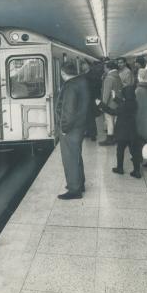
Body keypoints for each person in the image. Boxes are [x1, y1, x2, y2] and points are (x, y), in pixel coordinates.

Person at [56, 60, 90, 200]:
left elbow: (68, 111)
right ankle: (79, 183)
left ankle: (74, 190)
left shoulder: (70, 86)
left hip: (71, 128)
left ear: (63, 73)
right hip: (80, 125)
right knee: (76, 155)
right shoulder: (82, 81)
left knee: (69, 158)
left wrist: (64, 128)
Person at [96, 86, 141, 178]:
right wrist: (115, 98)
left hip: (122, 133)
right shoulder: (134, 103)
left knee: (120, 150)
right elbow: (124, 103)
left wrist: (100, 104)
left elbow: (112, 111)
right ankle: (137, 171)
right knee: (134, 151)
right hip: (132, 132)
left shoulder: (123, 105)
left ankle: (119, 168)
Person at [99, 61, 123, 146]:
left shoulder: (109, 78)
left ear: (108, 68)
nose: (104, 69)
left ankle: (109, 139)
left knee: (109, 121)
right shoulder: (117, 76)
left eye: (105, 67)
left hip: (109, 104)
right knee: (113, 121)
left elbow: (106, 93)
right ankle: (115, 137)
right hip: (116, 102)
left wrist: (102, 105)